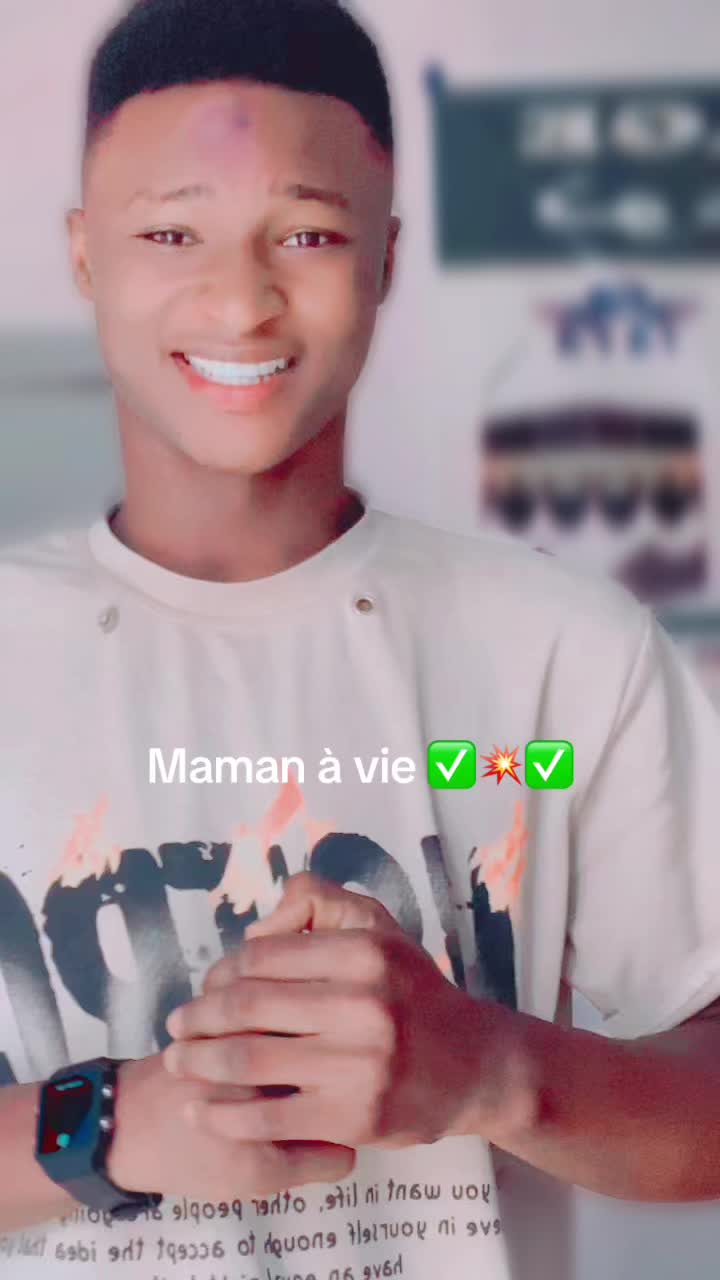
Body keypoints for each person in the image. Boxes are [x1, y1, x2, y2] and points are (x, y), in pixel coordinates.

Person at [2, 2, 720, 1278]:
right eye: (171, 232)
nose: (241, 301)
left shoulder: (560, 661)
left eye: (307, 233)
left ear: (385, 258)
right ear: (84, 256)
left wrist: (494, 1068)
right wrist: (113, 1125)